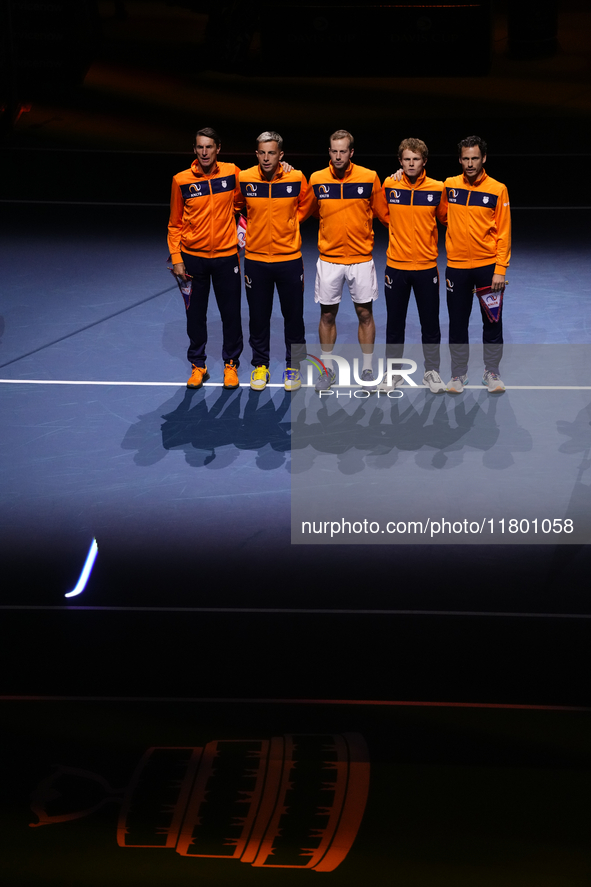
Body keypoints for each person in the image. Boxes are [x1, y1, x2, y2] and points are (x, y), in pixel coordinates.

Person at [300, 130, 387, 390]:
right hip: (329, 259)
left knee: (364, 313)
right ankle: (326, 371)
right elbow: (304, 211)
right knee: (327, 314)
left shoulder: (369, 177)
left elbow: (384, 213)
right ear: (329, 152)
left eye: (343, 151)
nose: (338, 156)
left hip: (361, 259)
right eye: (334, 151)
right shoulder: (317, 179)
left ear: (351, 152)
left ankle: (368, 370)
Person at [168, 127, 243, 389]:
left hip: (226, 257)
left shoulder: (233, 172)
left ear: (218, 148)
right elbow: (174, 224)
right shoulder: (181, 180)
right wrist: (176, 257)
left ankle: (231, 364)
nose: (204, 152)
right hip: (192, 260)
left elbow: (244, 202)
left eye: (209, 147)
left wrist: (285, 166)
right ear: (194, 150)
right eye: (200, 147)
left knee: (231, 313)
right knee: (195, 314)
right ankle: (198, 365)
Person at [439, 135, 511, 393]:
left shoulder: (497, 189)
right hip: (456, 267)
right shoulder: (449, 185)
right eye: (466, 159)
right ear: (460, 159)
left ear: (484, 159)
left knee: (492, 321)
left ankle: (492, 372)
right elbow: (441, 214)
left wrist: (500, 269)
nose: (470, 163)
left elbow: (503, 232)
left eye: (475, 158)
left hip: (488, 269)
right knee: (457, 322)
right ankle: (458, 375)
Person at [239, 131, 307, 391]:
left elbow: (308, 204)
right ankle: (260, 366)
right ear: (256, 154)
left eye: (272, 153)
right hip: (255, 260)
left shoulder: (296, 177)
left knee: (293, 316)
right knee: (258, 316)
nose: (266, 158)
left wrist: (288, 225)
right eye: (262, 153)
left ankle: (293, 367)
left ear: (281, 155)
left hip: (289, 259)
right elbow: (236, 205)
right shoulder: (244, 178)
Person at [378, 138, 446, 393]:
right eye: (406, 159)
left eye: (415, 159)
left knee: (430, 323)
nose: (411, 164)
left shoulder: (437, 188)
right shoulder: (389, 184)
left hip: (427, 267)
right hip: (396, 266)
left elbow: (444, 216)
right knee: (395, 323)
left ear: (424, 161)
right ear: (400, 161)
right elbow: (385, 216)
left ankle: (432, 372)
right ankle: (393, 373)